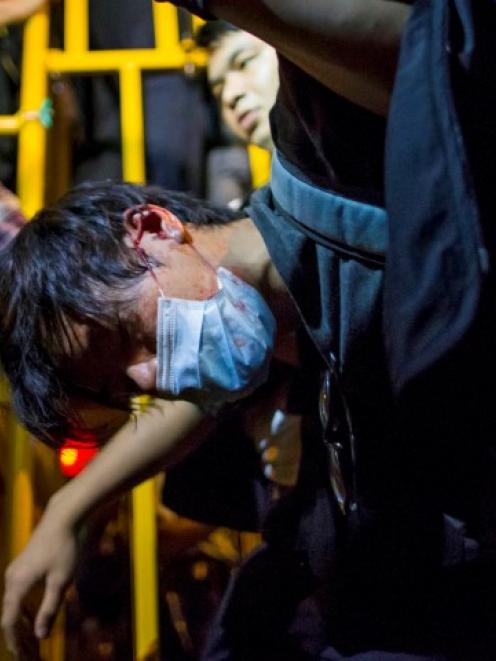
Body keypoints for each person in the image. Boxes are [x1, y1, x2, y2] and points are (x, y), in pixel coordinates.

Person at [6, 2, 489, 660]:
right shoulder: (317, 384)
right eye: (127, 386)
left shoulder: (325, 156)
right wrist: (70, 509)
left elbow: (440, 63)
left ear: (153, 231)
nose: (154, 377)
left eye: (124, 340)